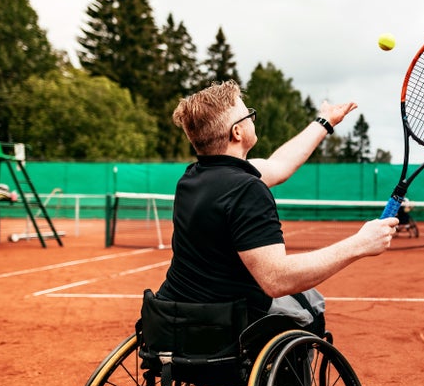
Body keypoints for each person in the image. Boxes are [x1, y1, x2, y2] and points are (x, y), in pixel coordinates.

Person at [155, 80, 398, 324]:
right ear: (237, 132)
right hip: (227, 321)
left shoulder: (191, 178)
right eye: (249, 114)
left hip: (176, 316)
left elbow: (280, 165)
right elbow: (277, 279)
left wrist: (325, 121)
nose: (252, 118)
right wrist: (360, 243)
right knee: (311, 306)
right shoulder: (247, 189)